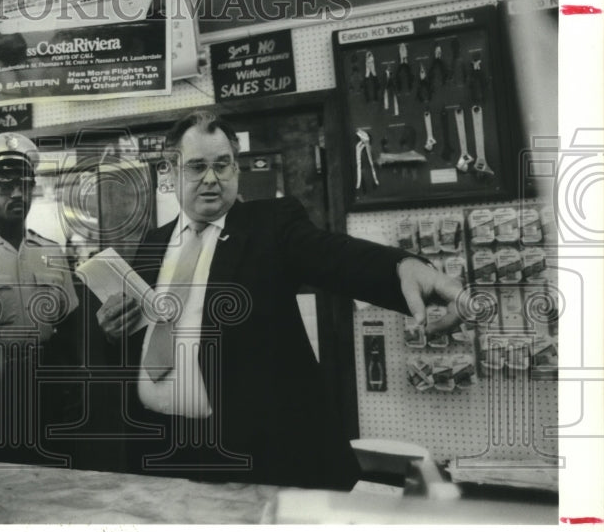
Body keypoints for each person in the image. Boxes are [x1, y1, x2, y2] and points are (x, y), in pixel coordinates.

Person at [97, 110, 463, 490]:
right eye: (197, 167)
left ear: (236, 169)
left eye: (222, 165)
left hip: (254, 459)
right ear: (170, 172)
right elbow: (140, 341)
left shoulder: (272, 225)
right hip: (165, 455)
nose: (211, 178)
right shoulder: (152, 244)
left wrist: (402, 267)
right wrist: (112, 331)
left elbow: (336, 256)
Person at [0, 133, 81, 466]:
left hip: (48, 389)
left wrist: (73, 385)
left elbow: (70, 328)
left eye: (26, 184)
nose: (18, 193)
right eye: (4, 186)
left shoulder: (52, 252)